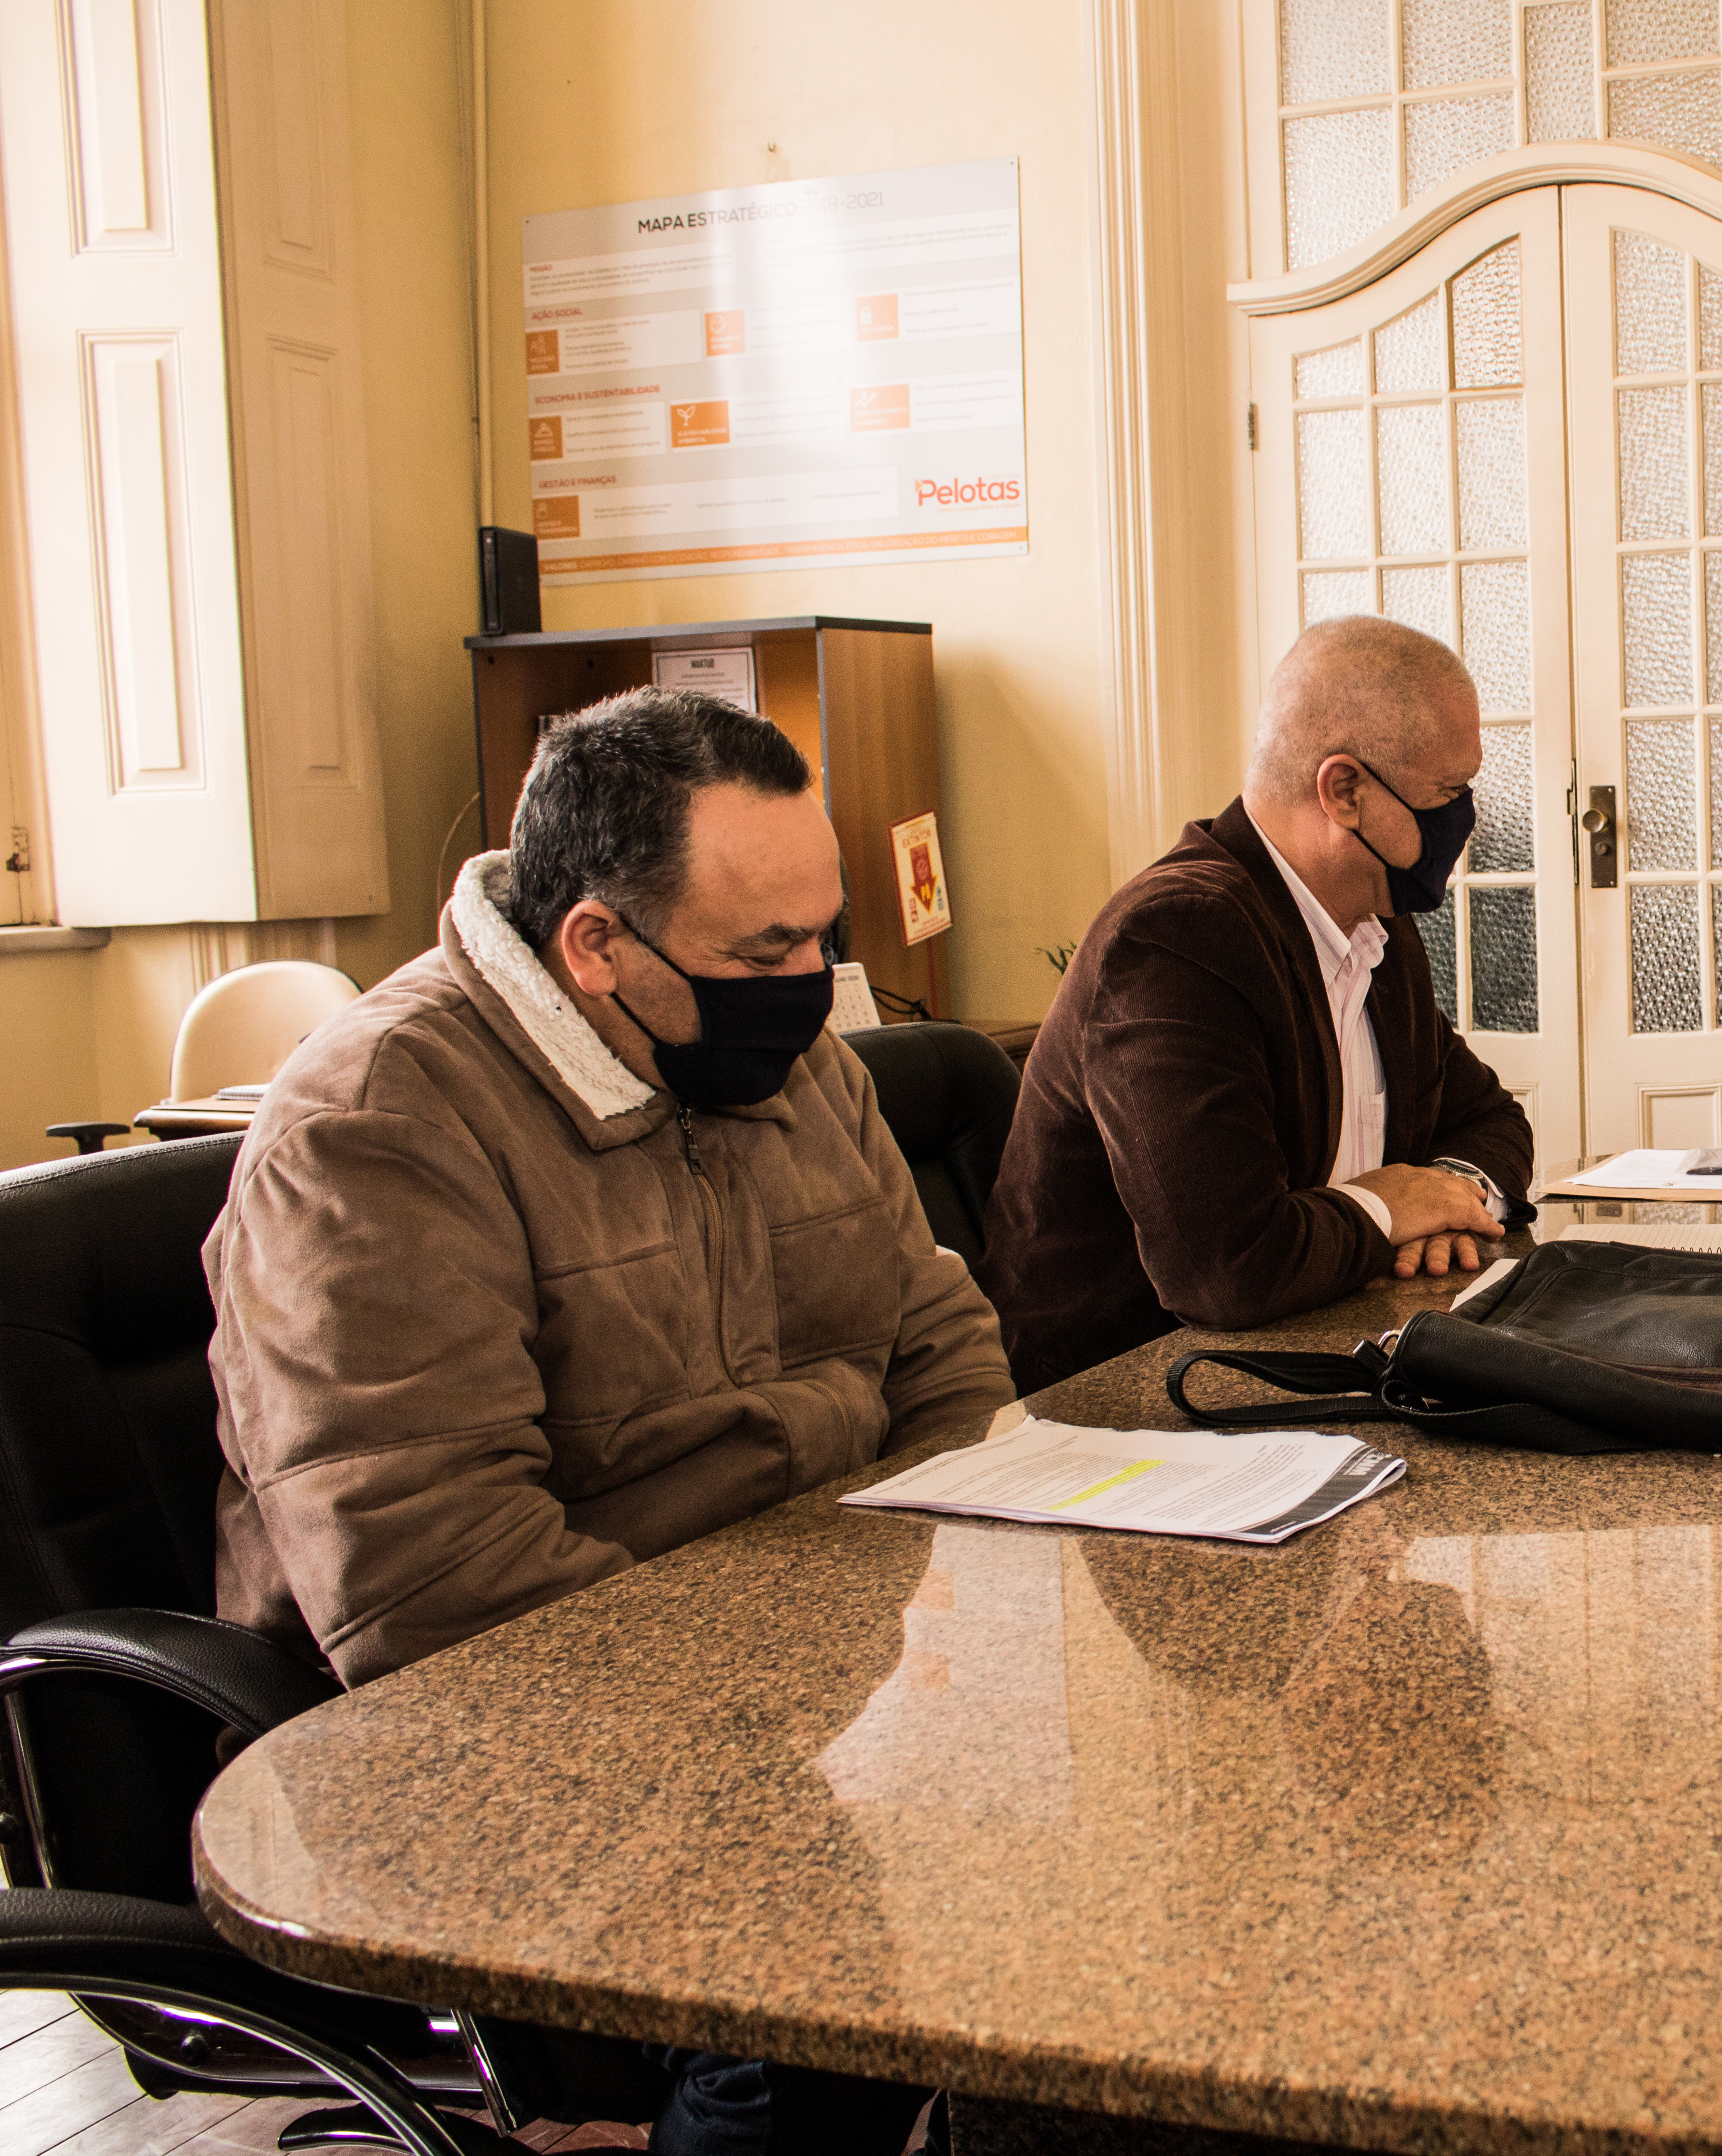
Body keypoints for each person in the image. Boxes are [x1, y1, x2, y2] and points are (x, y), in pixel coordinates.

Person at [205, 686, 1010, 2156]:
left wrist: (963, 1579)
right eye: (764, 952)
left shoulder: (782, 1057)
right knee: (855, 1990)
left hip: (793, 1677)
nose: (814, 986)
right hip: (499, 1744)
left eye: (823, 936)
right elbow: (440, 1595)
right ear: (594, 947)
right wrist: (789, 1716)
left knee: (1052, 1875)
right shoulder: (377, 1122)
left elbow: (938, 1339)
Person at [986, 616, 1536, 1395]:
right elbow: (1225, 1269)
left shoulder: (1375, 922)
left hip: (1314, 1349)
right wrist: (1387, 1208)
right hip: (1124, 1399)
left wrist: (1447, 1194)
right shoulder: (1177, 937)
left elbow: (1491, 1118)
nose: (1464, 820)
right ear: (1344, 791)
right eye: (1447, 794)